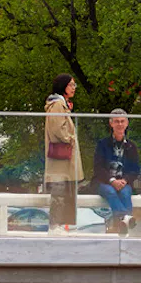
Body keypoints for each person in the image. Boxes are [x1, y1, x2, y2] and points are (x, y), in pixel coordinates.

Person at [40, 76, 82, 231]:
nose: (74, 87)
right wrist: (69, 138)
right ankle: (55, 224)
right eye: (71, 84)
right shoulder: (57, 104)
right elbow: (57, 128)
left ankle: (60, 224)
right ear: (63, 86)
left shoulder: (60, 104)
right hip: (60, 158)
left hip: (63, 157)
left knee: (64, 190)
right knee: (59, 190)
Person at [95, 107, 140, 232]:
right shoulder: (102, 144)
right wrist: (112, 180)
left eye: (122, 121)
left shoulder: (131, 146)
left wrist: (125, 180)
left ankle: (120, 225)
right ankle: (126, 218)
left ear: (126, 123)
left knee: (126, 193)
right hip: (105, 182)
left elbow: (135, 170)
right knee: (110, 192)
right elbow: (98, 168)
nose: (119, 124)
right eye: (116, 121)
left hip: (123, 182)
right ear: (111, 123)